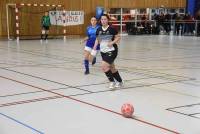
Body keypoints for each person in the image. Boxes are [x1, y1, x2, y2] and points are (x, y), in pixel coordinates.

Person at [92, 14, 123, 89]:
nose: (103, 21)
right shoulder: (99, 29)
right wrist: (94, 48)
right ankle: (119, 81)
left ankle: (112, 82)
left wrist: (112, 42)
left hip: (112, 50)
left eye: (105, 19)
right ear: (100, 20)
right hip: (103, 51)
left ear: (108, 20)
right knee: (112, 68)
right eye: (102, 19)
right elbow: (98, 39)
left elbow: (118, 37)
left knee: (104, 66)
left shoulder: (112, 29)